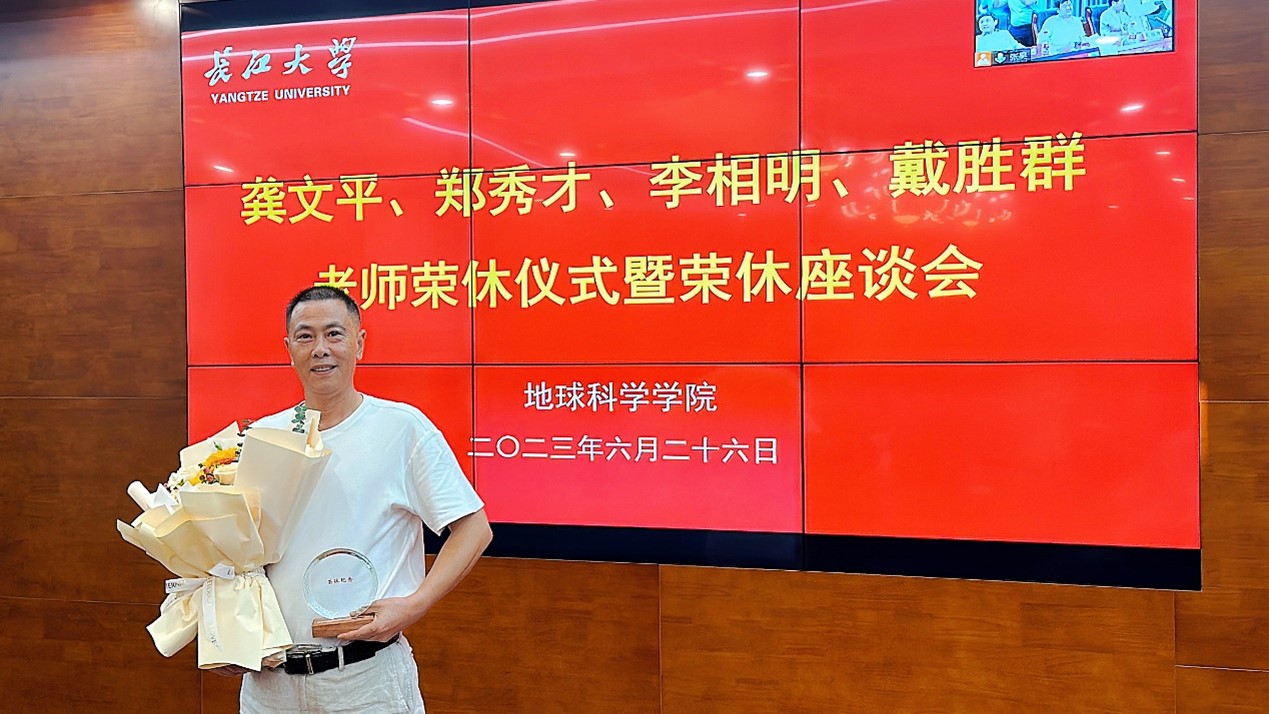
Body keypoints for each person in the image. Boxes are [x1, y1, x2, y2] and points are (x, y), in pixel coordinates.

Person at [229, 285, 493, 714]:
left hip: (364, 681)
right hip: (269, 685)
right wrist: (228, 630)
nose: (320, 349)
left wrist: (414, 605)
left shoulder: (402, 428)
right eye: (305, 336)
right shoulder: (263, 436)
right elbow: (237, 550)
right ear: (288, 348)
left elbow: (474, 530)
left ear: (360, 343)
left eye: (334, 334)